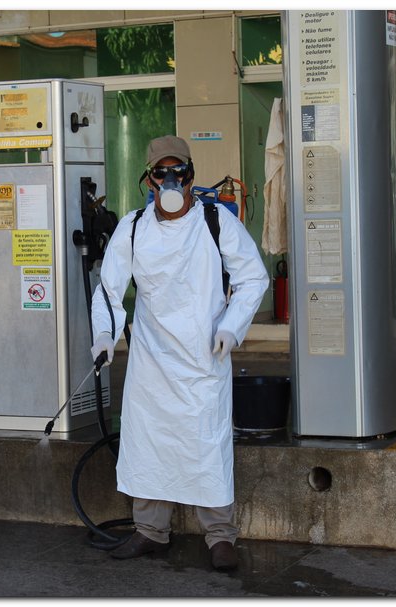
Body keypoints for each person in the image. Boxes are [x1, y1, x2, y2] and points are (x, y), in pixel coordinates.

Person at [90, 135, 269, 571]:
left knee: (207, 445)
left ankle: (220, 536)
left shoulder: (215, 221)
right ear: (149, 180)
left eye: (178, 171)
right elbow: (110, 290)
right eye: (161, 172)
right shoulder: (133, 227)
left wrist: (231, 328)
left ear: (190, 176)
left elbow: (253, 278)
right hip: (152, 360)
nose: (171, 180)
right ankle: (150, 531)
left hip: (204, 358)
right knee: (148, 443)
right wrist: (104, 336)